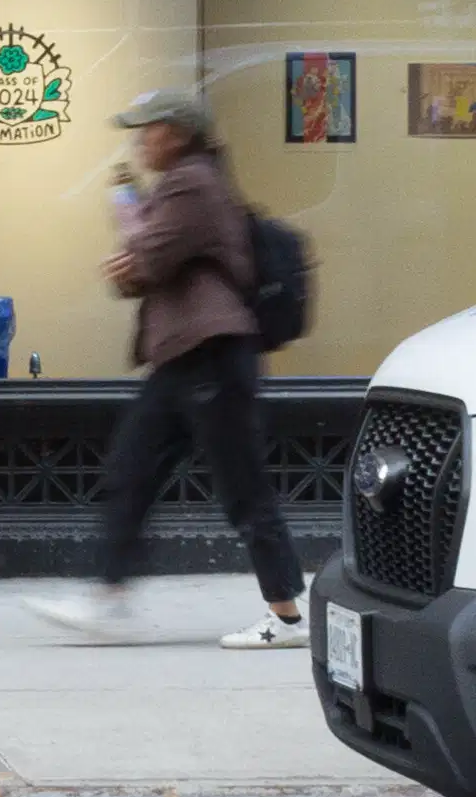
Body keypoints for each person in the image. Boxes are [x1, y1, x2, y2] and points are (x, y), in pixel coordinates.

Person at [35, 86, 306, 649]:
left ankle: (286, 616)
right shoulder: (186, 185)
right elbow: (134, 274)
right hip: (183, 358)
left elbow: (143, 259)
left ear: (178, 133)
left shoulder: (192, 182)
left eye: (147, 129)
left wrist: (127, 210)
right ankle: (108, 597)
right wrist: (133, 257)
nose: (138, 141)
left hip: (213, 356)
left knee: (244, 490)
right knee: (130, 473)